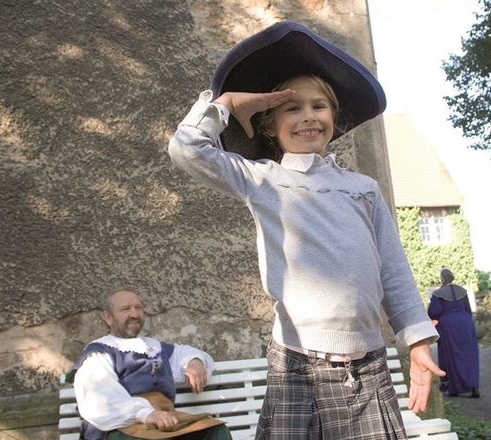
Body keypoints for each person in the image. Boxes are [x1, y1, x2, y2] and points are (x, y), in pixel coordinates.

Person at [168, 21, 444, 440]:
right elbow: (186, 149)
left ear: (334, 115)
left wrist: (417, 343)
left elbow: (393, 268)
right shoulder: (262, 179)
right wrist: (224, 104)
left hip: (369, 366)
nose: (308, 116)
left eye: (319, 105)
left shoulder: (363, 190)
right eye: (292, 108)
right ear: (268, 124)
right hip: (298, 364)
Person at [67, 290, 232, 440]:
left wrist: (195, 362)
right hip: (122, 427)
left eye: (138, 308)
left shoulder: (154, 347)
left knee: (216, 431)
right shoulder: (98, 352)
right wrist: (148, 414)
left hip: (165, 422)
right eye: (126, 309)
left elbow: (184, 354)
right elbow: (101, 400)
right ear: (108, 317)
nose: (134, 314)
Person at [427, 267, 480, 398]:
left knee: (450, 354)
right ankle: (473, 385)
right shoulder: (462, 291)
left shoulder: (438, 294)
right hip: (465, 322)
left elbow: (433, 312)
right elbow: (468, 309)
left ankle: (453, 387)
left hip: (448, 325)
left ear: (442, 278)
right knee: (469, 353)